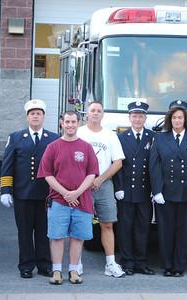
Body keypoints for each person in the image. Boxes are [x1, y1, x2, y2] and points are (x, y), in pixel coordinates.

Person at [37, 110, 99, 285]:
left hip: (82, 201)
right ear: (61, 123)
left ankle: (73, 271)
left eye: (73, 122)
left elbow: (92, 173)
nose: (70, 125)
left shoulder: (86, 147)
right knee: (57, 236)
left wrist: (77, 192)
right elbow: (47, 174)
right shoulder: (53, 147)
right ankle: (57, 271)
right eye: (67, 122)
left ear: (78, 123)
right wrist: (66, 193)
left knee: (78, 237)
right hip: (58, 200)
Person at [0, 99, 59, 279]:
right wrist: (6, 190)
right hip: (22, 194)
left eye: (38, 113)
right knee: (24, 232)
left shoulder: (53, 138)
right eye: (32, 113)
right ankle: (25, 266)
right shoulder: (16, 137)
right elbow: (7, 165)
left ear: (43, 117)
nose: (35, 116)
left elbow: (57, 167)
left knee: (43, 232)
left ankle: (44, 265)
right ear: (27, 117)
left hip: (45, 194)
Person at [149, 100, 187, 277]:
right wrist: (157, 190)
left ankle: (179, 267)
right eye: (174, 117)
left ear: (185, 119)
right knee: (165, 231)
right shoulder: (159, 138)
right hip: (165, 194)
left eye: (180, 117)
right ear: (170, 119)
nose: (177, 121)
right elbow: (154, 166)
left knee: (183, 232)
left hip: (186, 194)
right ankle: (167, 266)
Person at [77, 101, 125, 278]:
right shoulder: (79, 132)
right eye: (92, 110)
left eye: (99, 111)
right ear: (86, 114)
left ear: (103, 114)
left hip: (104, 185)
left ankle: (110, 263)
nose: (95, 113)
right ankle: (77, 264)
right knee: (80, 224)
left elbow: (118, 162)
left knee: (107, 224)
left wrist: (100, 179)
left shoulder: (110, 135)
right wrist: (85, 181)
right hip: (81, 185)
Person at [113, 101, 155, 275]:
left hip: (145, 192)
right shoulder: (121, 138)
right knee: (125, 229)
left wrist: (155, 189)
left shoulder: (153, 137)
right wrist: (119, 187)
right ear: (129, 118)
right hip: (127, 191)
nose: (137, 119)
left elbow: (156, 165)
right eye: (134, 116)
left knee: (143, 229)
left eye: (140, 116)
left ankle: (141, 262)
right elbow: (117, 164)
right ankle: (127, 262)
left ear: (145, 118)